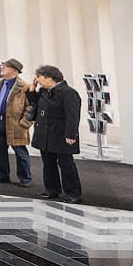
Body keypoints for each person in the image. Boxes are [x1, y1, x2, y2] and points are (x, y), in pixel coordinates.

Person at [27, 64, 83, 202]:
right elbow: (35, 104)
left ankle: (73, 193)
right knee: (48, 163)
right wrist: (32, 90)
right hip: (45, 134)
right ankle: (52, 190)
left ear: (49, 78)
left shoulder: (69, 93)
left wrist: (71, 135)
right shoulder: (44, 91)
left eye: (39, 77)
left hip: (60, 134)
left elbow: (73, 116)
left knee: (66, 164)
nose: (37, 80)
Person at [0, 58, 32, 187]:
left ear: (14, 71)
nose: (2, 68)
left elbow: (31, 107)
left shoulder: (24, 87)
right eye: (3, 66)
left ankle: (25, 178)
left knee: (20, 151)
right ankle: (2, 175)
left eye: (5, 66)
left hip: (15, 125)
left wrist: (24, 122)